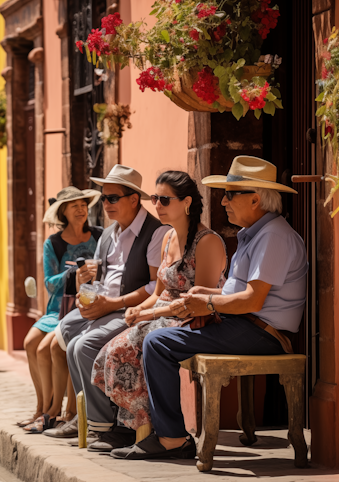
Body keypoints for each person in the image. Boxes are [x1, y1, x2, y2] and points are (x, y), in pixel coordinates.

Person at [114, 156, 308, 460]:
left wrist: (207, 302)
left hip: (261, 332)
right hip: (244, 324)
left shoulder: (273, 236)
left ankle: (172, 439)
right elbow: (240, 293)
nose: (224, 202)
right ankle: (163, 433)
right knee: (158, 338)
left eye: (230, 194)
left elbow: (253, 301)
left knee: (158, 341)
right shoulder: (257, 233)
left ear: (255, 199)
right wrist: (209, 296)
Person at [90, 171, 227, 440]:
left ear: (186, 202)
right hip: (161, 313)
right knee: (110, 350)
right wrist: (140, 309)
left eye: (164, 200)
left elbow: (197, 302)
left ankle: (145, 433)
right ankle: (134, 428)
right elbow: (160, 292)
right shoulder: (167, 238)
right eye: (154, 198)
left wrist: (149, 313)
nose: (157, 206)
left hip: (188, 318)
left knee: (123, 349)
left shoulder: (207, 241)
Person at [52, 165, 170, 450]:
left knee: (83, 346)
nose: (106, 204)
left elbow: (156, 286)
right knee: (66, 328)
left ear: (133, 199)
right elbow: (100, 277)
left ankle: (104, 425)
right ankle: (89, 413)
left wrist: (112, 304)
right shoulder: (108, 234)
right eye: (104, 198)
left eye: (112, 198)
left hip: (132, 310)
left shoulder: (157, 233)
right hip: (106, 306)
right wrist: (86, 294)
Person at [20, 187, 102, 433]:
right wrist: (74, 275)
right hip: (58, 308)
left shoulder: (98, 236)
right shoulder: (52, 243)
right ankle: (41, 407)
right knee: (29, 343)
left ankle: (53, 412)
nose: (81, 209)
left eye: (83, 204)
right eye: (74, 205)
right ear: (63, 211)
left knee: (45, 348)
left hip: (88, 306)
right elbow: (48, 283)